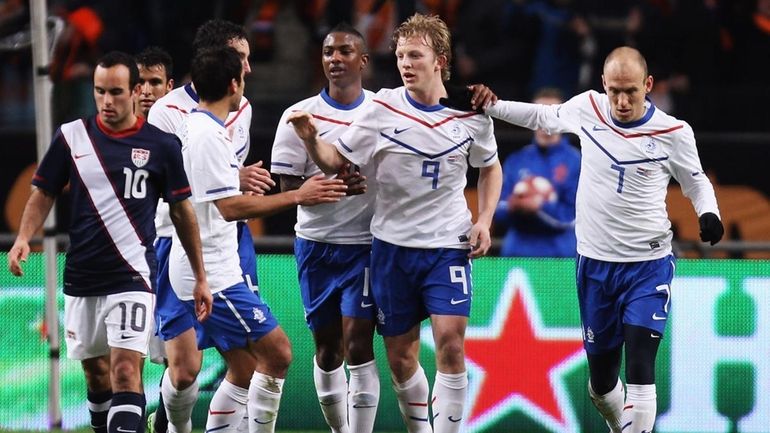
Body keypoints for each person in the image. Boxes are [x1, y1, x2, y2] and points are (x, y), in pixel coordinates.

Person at [443, 46, 724, 433]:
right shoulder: (587, 108)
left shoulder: (674, 132)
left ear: (649, 86)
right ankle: (617, 422)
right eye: (615, 92)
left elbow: (695, 181)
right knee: (602, 383)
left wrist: (709, 213)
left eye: (632, 92)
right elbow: (541, 116)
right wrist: (489, 106)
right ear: (603, 85)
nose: (622, 102)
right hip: (595, 265)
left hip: (648, 265)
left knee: (641, 367)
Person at [288, 13, 503, 433]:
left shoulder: (472, 113)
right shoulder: (382, 107)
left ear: (440, 60)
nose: (405, 64)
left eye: (415, 56)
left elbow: (490, 168)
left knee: (451, 345)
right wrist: (312, 137)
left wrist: (485, 220)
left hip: (448, 246)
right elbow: (336, 161)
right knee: (402, 360)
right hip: (391, 250)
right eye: (401, 55)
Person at [6, 51, 211, 433]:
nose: (107, 101)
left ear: (135, 92)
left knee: (124, 369)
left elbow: (183, 212)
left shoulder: (161, 146)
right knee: (96, 374)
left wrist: (200, 276)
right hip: (82, 276)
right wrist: (23, 237)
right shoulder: (72, 136)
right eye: (99, 92)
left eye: (116, 92)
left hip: (132, 276)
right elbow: (43, 190)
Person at [177, 45, 347, 433]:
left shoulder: (202, 128)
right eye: (244, 72)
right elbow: (229, 209)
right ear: (233, 83)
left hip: (210, 265)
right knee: (278, 353)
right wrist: (297, 196)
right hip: (212, 273)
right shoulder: (206, 135)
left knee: (242, 366)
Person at [145, 20, 275, 433]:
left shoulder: (244, 107)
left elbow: (227, 173)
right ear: (219, 60)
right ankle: (168, 423)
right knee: (184, 370)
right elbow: (158, 180)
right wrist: (231, 181)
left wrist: (236, 177)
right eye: (242, 59)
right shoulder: (165, 112)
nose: (249, 70)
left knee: (249, 358)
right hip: (176, 241)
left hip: (229, 241)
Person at [270, 23, 379, 433]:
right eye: (329, 51)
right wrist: (331, 187)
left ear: (363, 60)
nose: (335, 58)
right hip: (316, 245)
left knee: (358, 346)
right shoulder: (297, 115)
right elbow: (287, 187)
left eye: (345, 51)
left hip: (365, 245)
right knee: (328, 351)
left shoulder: (381, 113)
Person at [495, 87, 581, 257]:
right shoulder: (516, 159)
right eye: (538, 116)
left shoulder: (576, 161)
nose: (544, 123)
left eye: (551, 116)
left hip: (560, 256)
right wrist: (512, 206)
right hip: (516, 254)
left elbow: (575, 217)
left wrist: (539, 207)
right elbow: (498, 211)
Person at [134, 46, 175, 119]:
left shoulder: (182, 127)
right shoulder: (115, 128)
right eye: (140, 82)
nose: (146, 91)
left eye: (155, 82)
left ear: (169, 86)